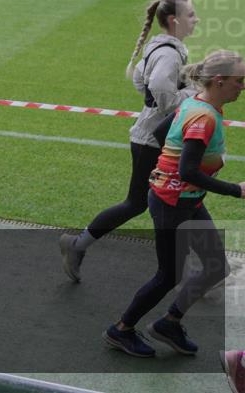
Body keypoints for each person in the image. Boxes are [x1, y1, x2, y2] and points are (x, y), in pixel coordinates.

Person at [103, 50, 245, 358]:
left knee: (215, 265)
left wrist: (164, 169)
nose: (242, 86)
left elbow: (159, 132)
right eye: (239, 80)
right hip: (173, 204)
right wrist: (237, 190)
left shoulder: (195, 102)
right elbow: (188, 171)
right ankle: (121, 329)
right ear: (220, 81)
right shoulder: (203, 118)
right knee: (168, 275)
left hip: (186, 201)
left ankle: (169, 323)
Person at [61, 0, 199, 282]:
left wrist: (160, 96)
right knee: (156, 201)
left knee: (175, 198)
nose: (196, 20)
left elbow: (141, 79)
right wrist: (193, 92)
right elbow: (162, 94)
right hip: (154, 140)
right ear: (174, 21)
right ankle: (76, 246)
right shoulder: (169, 53)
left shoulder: (163, 48)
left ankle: (77, 246)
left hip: (151, 136)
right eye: (191, 15)